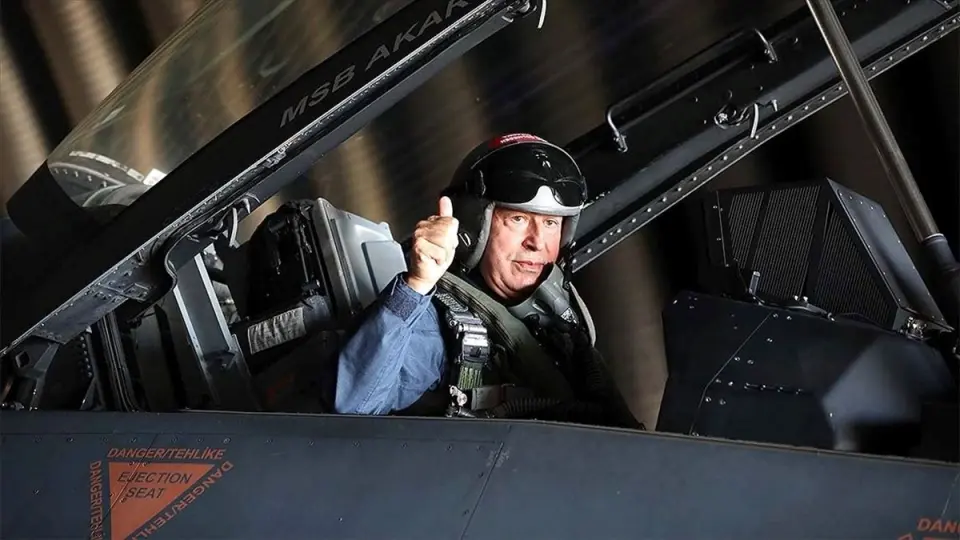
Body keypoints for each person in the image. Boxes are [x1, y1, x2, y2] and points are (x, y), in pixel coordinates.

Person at [334, 133, 640, 428]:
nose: (537, 242)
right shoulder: (437, 325)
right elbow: (352, 407)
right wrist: (417, 284)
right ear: (473, 227)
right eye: (518, 219)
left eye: (550, 223)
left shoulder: (559, 325)